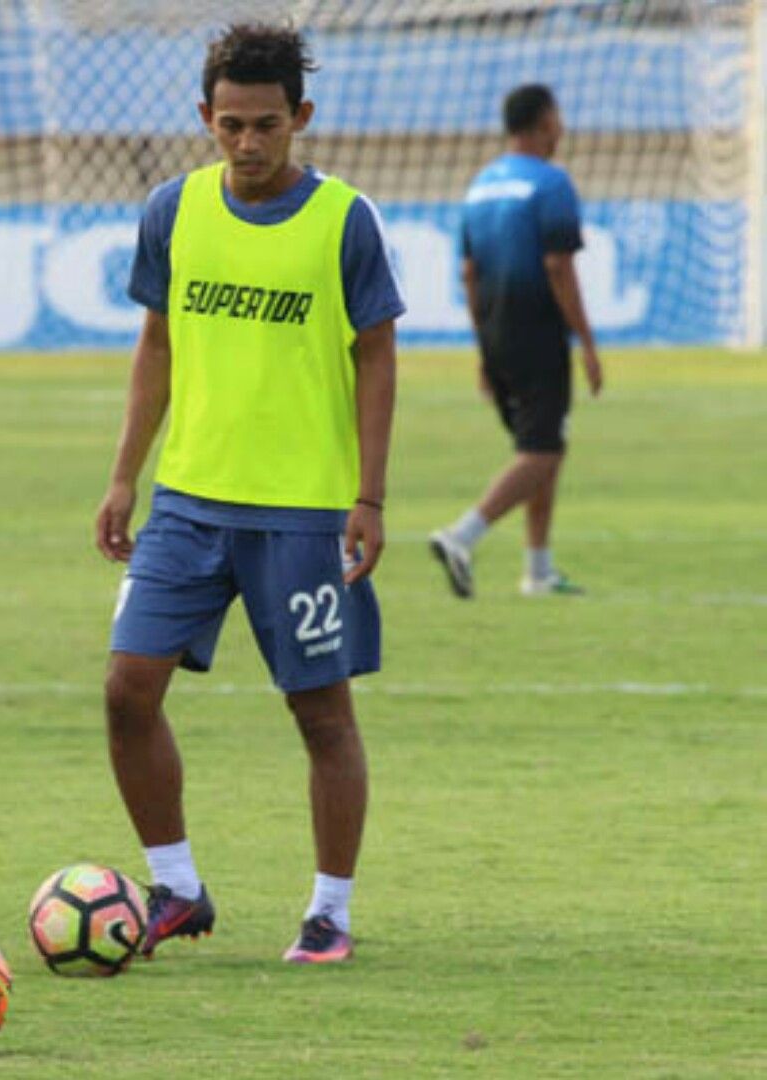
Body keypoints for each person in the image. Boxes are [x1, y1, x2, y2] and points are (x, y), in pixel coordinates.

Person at [95, 23, 402, 965]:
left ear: (300, 117)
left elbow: (378, 356)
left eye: (267, 124)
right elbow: (157, 344)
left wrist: (370, 497)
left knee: (320, 714)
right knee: (125, 691)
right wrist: (124, 474)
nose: (249, 143)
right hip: (187, 505)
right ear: (205, 118)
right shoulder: (172, 211)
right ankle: (178, 889)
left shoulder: (344, 220)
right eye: (230, 124)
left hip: (303, 516)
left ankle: (330, 911)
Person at [430, 83, 602, 599]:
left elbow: (468, 271)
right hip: (538, 332)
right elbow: (557, 265)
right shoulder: (551, 183)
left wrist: (483, 349)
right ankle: (463, 535)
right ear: (546, 121)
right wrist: (588, 344)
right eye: (559, 116)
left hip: (497, 331)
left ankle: (538, 570)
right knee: (543, 451)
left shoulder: (480, 185)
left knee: (541, 444)